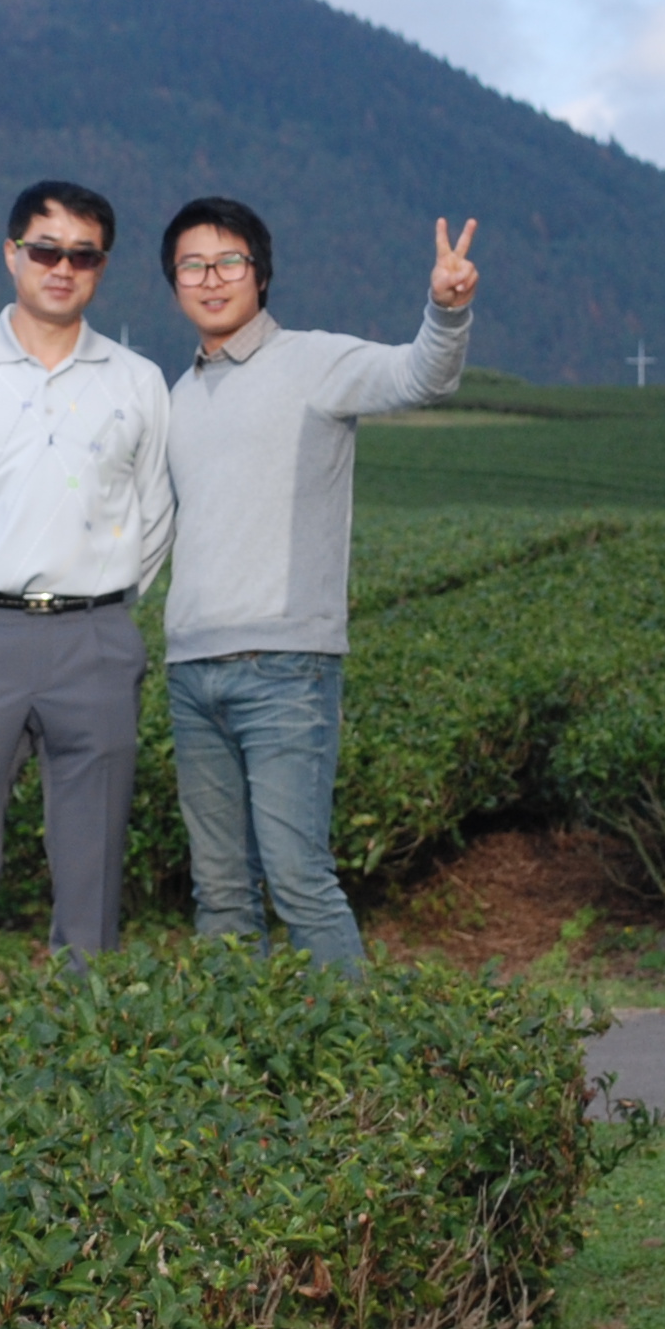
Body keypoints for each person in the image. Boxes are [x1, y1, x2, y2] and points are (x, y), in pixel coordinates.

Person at [159, 199, 479, 973]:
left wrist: (446, 310)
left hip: (285, 668)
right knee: (219, 894)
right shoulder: (176, 396)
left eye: (229, 262)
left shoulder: (314, 361)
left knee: (300, 881)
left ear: (261, 275)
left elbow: (420, 375)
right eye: (192, 265)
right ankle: (237, 1046)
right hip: (190, 672)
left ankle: (356, 1047)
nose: (211, 279)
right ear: (174, 283)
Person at [0, 179, 176, 986]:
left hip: (96, 640)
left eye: (83, 255)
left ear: (101, 268)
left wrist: (105, 603)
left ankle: (86, 1035)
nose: (63, 268)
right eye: (46, 250)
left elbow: (155, 513)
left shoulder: (137, 381)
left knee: (94, 867)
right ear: (12, 254)